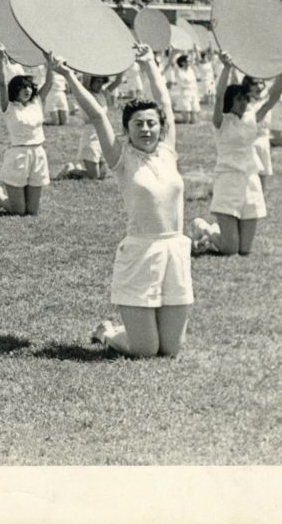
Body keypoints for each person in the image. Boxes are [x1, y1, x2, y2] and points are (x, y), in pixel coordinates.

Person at [53, 44, 192, 358]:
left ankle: (139, 327)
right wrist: (68, 75)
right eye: (138, 124)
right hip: (141, 254)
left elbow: (165, 101)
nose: (146, 129)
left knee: (170, 350)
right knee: (145, 350)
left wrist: (148, 63)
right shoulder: (121, 159)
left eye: (151, 123)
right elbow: (98, 114)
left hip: (175, 252)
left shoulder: (168, 150)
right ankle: (108, 331)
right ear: (127, 130)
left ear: (161, 127)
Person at [201, 54, 282, 256]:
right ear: (230, 102)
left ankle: (218, 231)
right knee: (230, 250)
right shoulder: (220, 122)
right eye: (238, 99)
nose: (242, 103)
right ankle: (205, 229)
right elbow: (219, 94)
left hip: (250, 181)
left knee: (245, 250)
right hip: (228, 181)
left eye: (244, 98)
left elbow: (272, 98)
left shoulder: (252, 118)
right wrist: (226, 68)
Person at [0, 46, 54, 216]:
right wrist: (1, 59)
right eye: (23, 87)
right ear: (15, 90)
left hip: (38, 154)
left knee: (32, 211)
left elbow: (49, 83)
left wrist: (49, 62)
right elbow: (1, 84)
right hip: (18, 156)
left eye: (29, 86)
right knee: (18, 211)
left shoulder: (36, 101)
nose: (27, 90)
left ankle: (6, 197)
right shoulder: (9, 107)